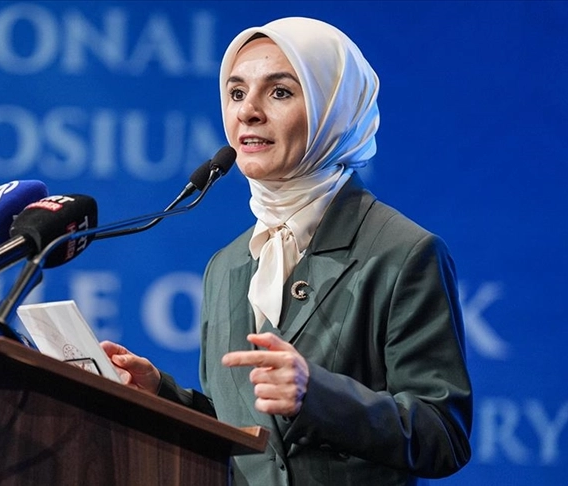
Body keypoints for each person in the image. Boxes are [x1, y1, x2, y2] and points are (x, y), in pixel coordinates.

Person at [101, 16, 472, 485]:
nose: (248, 112)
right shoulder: (227, 264)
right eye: (237, 93)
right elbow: (249, 428)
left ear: (333, 110)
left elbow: (443, 435)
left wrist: (317, 396)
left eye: (279, 92)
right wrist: (160, 393)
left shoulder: (404, 253)